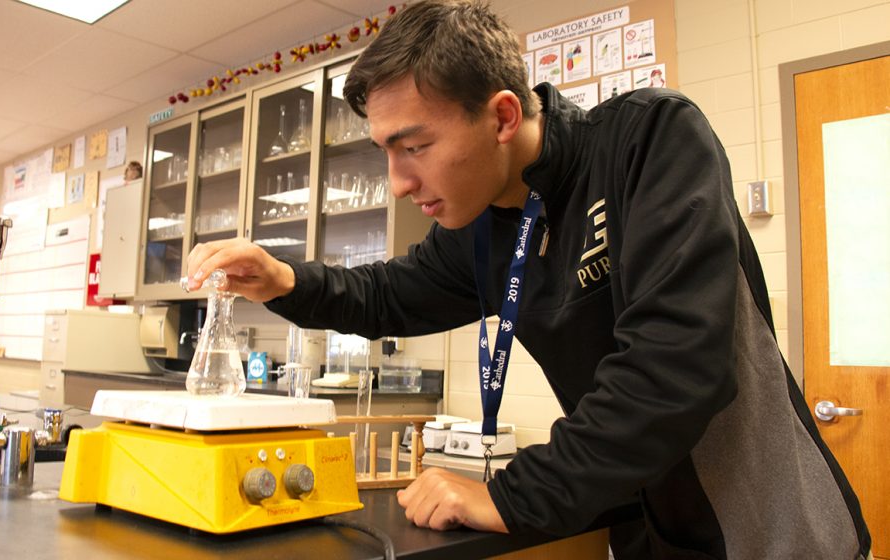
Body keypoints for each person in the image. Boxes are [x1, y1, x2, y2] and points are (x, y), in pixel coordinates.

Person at [186, 1, 871, 558]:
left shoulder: (649, 141)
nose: (398, 184)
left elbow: (677, 365)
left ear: (504, 116)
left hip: (771, 531)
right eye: (386, 153)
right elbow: (388, 294)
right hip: (645, 529)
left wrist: (510, 496)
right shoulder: (481, 228)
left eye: (415, 147)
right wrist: (283, 281)